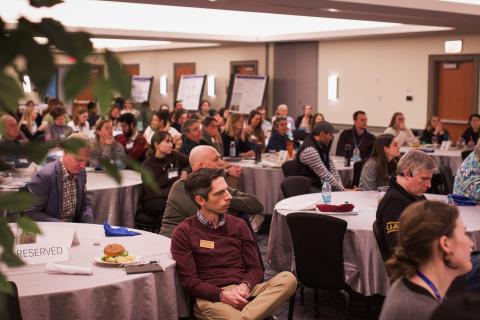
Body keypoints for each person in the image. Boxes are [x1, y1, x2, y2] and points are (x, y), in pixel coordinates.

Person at [170, 168, 297, 320]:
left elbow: (255, 267)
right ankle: (256, 313)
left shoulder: (238, 225)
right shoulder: (184, 232)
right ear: (201, 200)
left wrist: (245, 286)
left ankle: (247, 315)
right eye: (220, 193)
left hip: (246, 290)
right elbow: (190, 281)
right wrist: (223, 295)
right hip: (213, 297)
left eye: (227, 190)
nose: (229, 197)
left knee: (288, 279)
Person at [379, 201, 473, 320]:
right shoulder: (425, 312)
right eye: (464, 233)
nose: (471, 243)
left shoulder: (406, 286)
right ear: (445, 244)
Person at [161, 145, 260, 238]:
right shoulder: (181, 187)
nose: (222, 163)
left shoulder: (216, 186)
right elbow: (214, 219)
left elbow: (256, 205)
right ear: (201, 166)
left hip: (204, 242)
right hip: (172, 242)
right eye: (216, 159)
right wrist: (230, 203)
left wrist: (224, 199)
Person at [376, 150, 436, 255]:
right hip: (416, 266)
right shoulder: (394, 202)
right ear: (407, 174)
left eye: (430, 179)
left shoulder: (415, 196)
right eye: (425, 178)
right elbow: (398, 247)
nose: (429, 185)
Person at [24, 133, 94, 223]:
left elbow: (85, 202)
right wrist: (62, 226)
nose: (82, 165)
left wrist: (87, 223)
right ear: (65, 152)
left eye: (86, 161)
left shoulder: (81, 173)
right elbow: (31, 212)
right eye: (78, 159)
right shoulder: (45, 176)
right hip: (52, 232)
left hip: (75, 230)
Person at [141, 131, 189, 222]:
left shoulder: (174, 155)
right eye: (167, 141)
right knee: (176, 207)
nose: (171, 145)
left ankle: (169, 232)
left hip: (173, 197)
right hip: (154, 201)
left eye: (171, 142)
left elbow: (191, 162)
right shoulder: (147, 165)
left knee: (168, 214)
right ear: (156, 144)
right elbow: (153, 193)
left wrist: (185, 171)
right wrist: (174, 191)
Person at [295, 121, 345, 191]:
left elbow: (332, 168)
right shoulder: (310, 150)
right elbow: (325, 175)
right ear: (322, 134)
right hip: (307, 188)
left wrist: (341, 187)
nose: (331, 138)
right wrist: (343, 190)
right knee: (334, 196)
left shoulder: (322, 145)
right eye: (330, 135)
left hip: (318, 184)